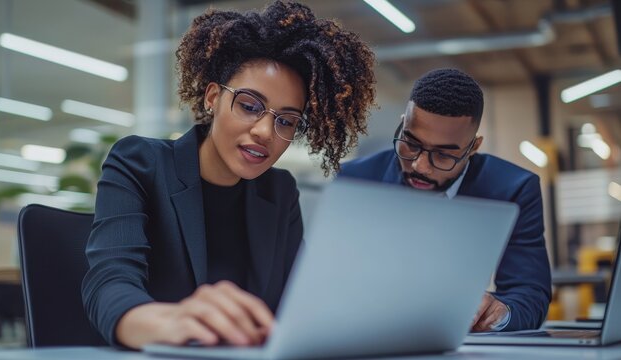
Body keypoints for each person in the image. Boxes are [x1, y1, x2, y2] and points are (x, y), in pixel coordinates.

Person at [82, 1, 375, 349]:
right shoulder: (140, 163)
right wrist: (170, 321)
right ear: (213, 97)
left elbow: (296, 302)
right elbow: (109, 282)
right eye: (250, 106)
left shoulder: (279, 192)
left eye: (286, 120)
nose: (266, 131)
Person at [339, 68, 551, 332]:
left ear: (473, 148)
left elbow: (529, 292)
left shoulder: (512, 189)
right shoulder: (356, 181)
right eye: (411, 143)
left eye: (443, 155)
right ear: (403, 124)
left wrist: (499, 312)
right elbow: (331, 278)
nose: (420, 166)